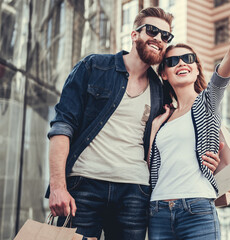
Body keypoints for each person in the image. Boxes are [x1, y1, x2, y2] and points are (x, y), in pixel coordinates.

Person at [46, 7, 220, 240]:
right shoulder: (94, 66)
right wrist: (58, 186)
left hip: (135, 193)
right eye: (152, 30)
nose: (158, 38)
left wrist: (209, 156)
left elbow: (183, 132)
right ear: (134, 34)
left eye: (165, 36)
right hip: (84, 187)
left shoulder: (161, 91)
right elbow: (62, 126)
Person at [147, 10, 230, 240]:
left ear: (197, 68)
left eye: (187, 59)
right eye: (172, 61)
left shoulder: (205, 104)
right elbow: (151, 166)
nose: (181, 63)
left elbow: (220, 79)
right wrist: (154, 128)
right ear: (164, 74)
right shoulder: (162, 117)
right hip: (158, 210)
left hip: (197, 208)